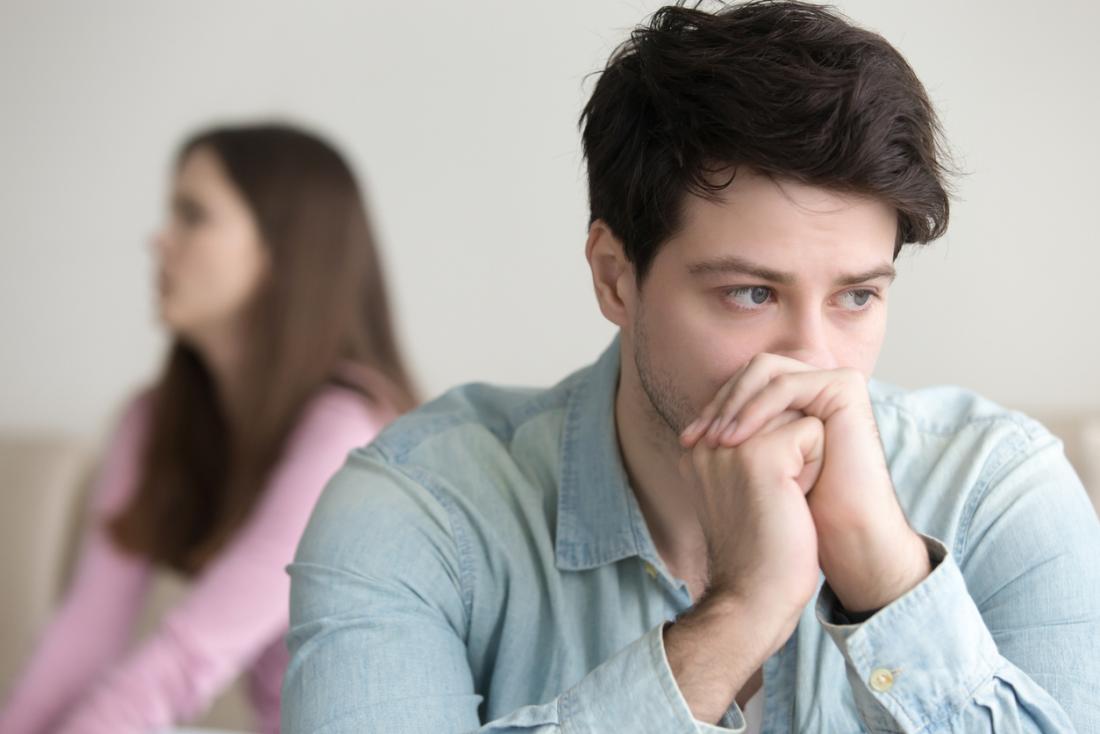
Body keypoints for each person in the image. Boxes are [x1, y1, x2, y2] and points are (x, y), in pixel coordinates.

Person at [282, 3, 1100, 733]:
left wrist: (888, 582)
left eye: (856, 297)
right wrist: (739, 616)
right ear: (615, 277)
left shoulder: (996, 492)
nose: (813, 362)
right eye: (751, 293)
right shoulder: (419, 509)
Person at [0, 123, 418, 734]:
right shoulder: (154, 420)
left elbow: (187, 661)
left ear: (282, 249)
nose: (159, 239)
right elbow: (82, 641)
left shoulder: (346, 435)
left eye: (192, 215)